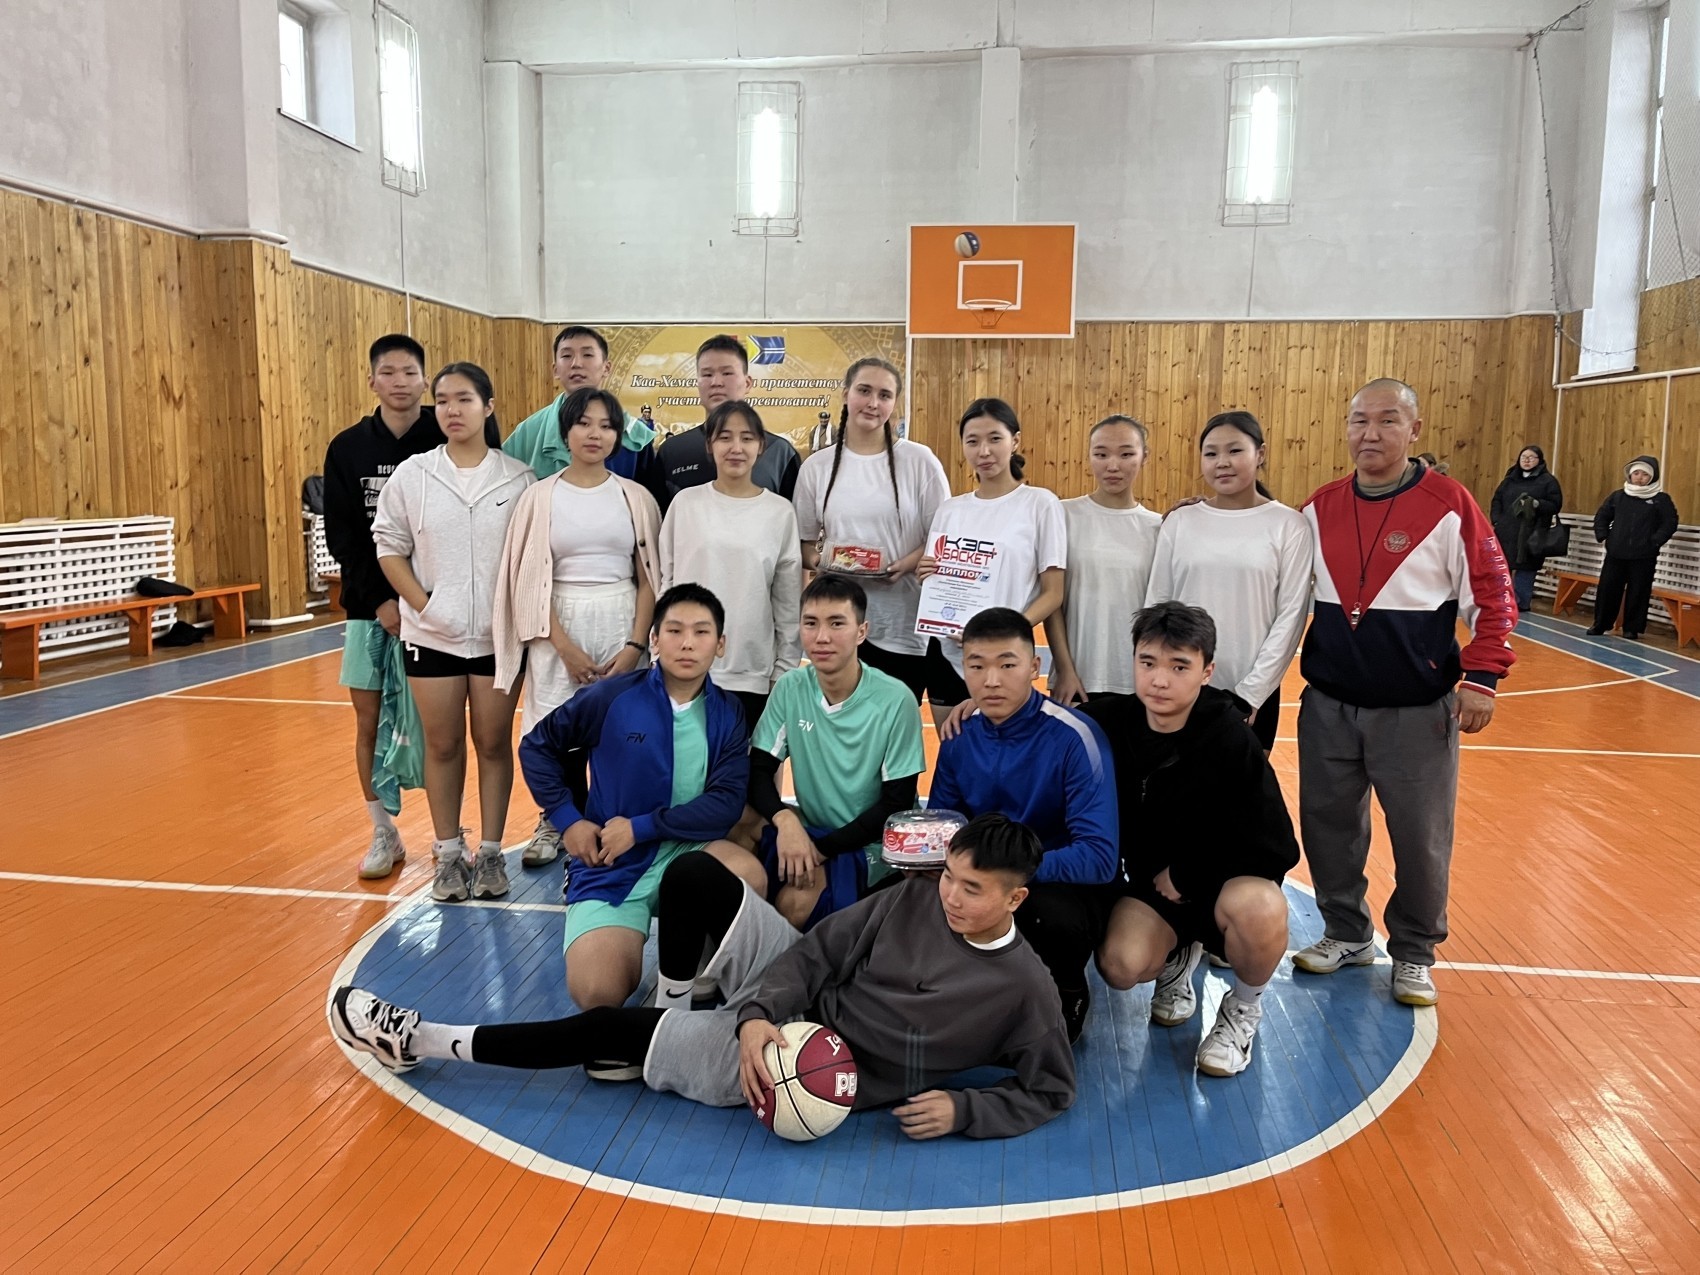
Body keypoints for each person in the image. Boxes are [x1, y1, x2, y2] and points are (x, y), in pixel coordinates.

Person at [331, 814, 1075, 1140]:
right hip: (786, 1005)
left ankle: (420, 1039)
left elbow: (1050, 1090)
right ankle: (682, 1002)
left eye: (972, 889)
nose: (950, 896)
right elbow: (815, 956)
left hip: (805, 1063)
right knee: (693, 872)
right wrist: (756, 1013)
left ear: (1016, 899)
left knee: (604, 1029)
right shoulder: (913, 896)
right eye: (948, 876)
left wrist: (965, 1111)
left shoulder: (1025, 990)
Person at [1293, 379, 1515, 1007]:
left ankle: (1414, 950)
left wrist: (1482, 678)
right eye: (1359, 420)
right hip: (1328, 705)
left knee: (1420, 837)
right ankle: (1346, 932)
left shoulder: (1450, 505)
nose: (1370, 433)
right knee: (1328, 828)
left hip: (1417, 711)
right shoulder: (1318, 508)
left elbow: (1494, 595)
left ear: (1414, 430)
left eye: (1387, 420)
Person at [1080, 602, 1299, 1077]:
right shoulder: (1110, 721)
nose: (1159, 680)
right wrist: (985, 705)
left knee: (1262, 909)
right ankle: (1179, 954)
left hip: (1221, 885)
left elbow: (1276, 846)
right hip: (1154, 891)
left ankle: (1243, 1008)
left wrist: (1188, 875)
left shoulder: (1232, 738)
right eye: (1148, 662)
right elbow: (1042, 721)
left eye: (1179, 667)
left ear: (1207, 671)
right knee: (1120, 966)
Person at [518, 584, 750, 1015]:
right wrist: (568, 820)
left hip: (686, 850)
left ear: (720, 645)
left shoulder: (728, 711)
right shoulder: (611, 697)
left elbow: (726, 804)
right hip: (612, 861)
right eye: (674, 631)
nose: (687, 643)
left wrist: (641, 827)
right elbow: (537, 747)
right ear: (654, 639)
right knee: (597, 993)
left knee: (747, 874)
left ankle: (695, 959)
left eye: (701, 632)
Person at [371, 363, 536, 904]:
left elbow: (531, 558)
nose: (451, 410)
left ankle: (490, 853)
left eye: (463, 399)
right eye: (441, 400)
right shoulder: (413, 474)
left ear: (488, 406)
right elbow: (389, 547)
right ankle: (446, 854)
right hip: (431, 636)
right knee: (442, 745)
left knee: (492, 743)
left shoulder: (519, 479)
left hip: (496, 640)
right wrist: (426, 606)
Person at [928, 608, 1118, 1040]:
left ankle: (1067, 991)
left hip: (1057, 881)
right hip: (983, 873)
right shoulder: (959, 735)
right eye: (977, 666)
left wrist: (1005, 874)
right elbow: (943, 825)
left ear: (1034, 667)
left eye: (1007, 665)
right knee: (912, 897)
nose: (991, 681)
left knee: (1051, 918)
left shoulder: (1075, 737)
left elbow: (1100, 857)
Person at [492, 386, 663, 866]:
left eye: (606, 425)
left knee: (623, 730)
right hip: (557, 627)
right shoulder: (538, 497)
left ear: (618, 436)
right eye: (584, 423)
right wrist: (563, 646)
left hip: (621, 620)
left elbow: (649, 579)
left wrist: (634, 646)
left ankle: (618, 822)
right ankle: (558, 822)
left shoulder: (636, 497)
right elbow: (529, 580)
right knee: (557, 731)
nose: (595, 434)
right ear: (565, 431)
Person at [716, 574, 925, 929]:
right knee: (737, 821)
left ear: (861, 631)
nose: (822, 637)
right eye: (811, 623)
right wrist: (785, 821)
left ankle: (794, 948)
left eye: (836, 623)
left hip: (873, 842)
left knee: (794, 905)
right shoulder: (791, 687)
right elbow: (759, 769)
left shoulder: (895, 699)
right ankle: (736, 931)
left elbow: (896, 803)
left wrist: (818, 850)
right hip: (810, 826)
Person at [322, 334, 444, 879]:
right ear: (372, 380)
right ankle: (382, 831)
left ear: (425, 381)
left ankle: (447, 834)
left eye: (409, 372)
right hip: (369, 611)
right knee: (368, 720)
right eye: (388, 372)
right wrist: (380, 601)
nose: (399, 382)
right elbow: (343, 536)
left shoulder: (446, 436)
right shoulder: (347, 448)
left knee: (441, 727)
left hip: (437, 609)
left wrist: (422, 601)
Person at [1144, 412, 1312, 753]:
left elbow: (1291, 616)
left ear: (1260, 453)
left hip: (1251, 697)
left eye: (1235, 451)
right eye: (1211, 453)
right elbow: (1157, 607)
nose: (1222, 462)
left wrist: (1251, 694)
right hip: (1179, 688)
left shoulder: (1290, 525)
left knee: (1242, 786)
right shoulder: (1180, 521)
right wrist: (1161, 677)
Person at [793, 357, 951, 717]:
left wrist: (905, 564)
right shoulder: (816, 467)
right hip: (839, 625)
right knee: (840, 730)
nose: (873, 403)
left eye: (884, 395)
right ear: (845, 394)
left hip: (902, 623)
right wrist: (827, 562)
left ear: (895, 403)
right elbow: (803, 543)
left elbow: (943, 536)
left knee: (893, 733)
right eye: (864, 391)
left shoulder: (920, 461)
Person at [917, 399, 1067, 721]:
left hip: (1005, 656)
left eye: (995, 438)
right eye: (972, 441)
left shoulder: (1040, 504)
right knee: (955, 748)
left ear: (1015, 441)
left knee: (1008, 748)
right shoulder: (950, 510)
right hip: (948, 653)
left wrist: (1004, 632)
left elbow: (1053, 593)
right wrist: (927, 575)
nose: (984, 451)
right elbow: (937, 584)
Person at [659, 401, 802, 728]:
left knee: (747, 759)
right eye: (725, 437)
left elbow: (787, 600)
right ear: (710, 445)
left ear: (761, 446)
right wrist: (660, 654)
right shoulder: (685, 503)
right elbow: (666, 583)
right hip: (683, 667)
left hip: (751, 673)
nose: (736, 448)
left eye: (747, 438)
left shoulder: (779, 512)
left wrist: (784, 669)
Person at [1046, 415, 1163, 705]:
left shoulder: (1159, 527)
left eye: (1126, 454)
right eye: (1101, 454)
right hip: (1076, 679)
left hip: (1139, 680)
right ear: (1089, 456)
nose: (1113, 466)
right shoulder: (1063, 515)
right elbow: (1052, 602)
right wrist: (1064, 669)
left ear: (1144, 456)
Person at [653, 335, 801, 508]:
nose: (716, 382)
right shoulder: (672, 452)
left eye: (727, 373)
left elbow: (792, 519)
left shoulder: (780, 453)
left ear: (747, 383)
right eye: (707, 374)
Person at [502, 325, 657, 484]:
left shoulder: (635, 436)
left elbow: (649, 495)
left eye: (587, 355)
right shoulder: (528, 432)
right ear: (555, 370)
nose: (576, 363)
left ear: (606, 368)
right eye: (567, 355)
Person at [1588, 456, 1680, 640]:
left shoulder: (1661, 499)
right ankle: (1601, 624)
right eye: (1636, 473)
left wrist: (1655, 541)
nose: (1639, 477)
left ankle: (1632, 628)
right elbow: (1602, 516)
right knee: (1608, 590)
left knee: (1639, 592)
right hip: (1616, 553)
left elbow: (1670, 522)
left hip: (1644, 555)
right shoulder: (1618, 496)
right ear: (1630, 475)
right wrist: (1605, 536)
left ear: (1652, 477)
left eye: (1644, 474)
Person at [1489, 445, 1564, 615]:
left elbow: (1555, 505)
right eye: (1524, 457)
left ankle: (1521, 603)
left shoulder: (1548, 481)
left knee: (1526, 568)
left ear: (1539, 460)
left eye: (1531, 457)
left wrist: (1537, 504)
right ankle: (1499, 599)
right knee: (1502, 566)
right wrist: (1497, 520)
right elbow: (1497, 500)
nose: (1527, 460)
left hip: (1532, 533)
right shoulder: (1510, 479)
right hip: (1507, 531)